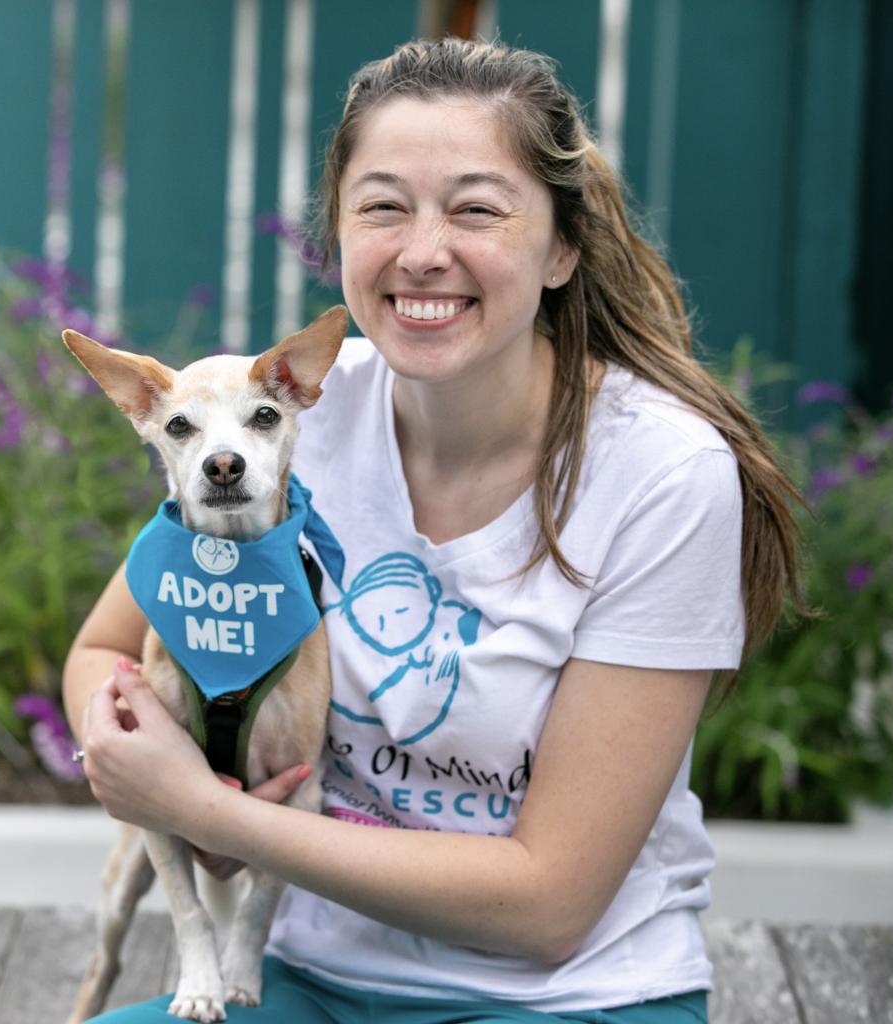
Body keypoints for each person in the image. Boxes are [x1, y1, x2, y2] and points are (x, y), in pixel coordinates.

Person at [65, 37, 802, 1024]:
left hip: (569, 997)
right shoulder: (287, 421)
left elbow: (548, 906)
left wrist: (205, 810)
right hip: (304, 979)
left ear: (563, 247)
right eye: (382, 207)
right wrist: (139, 752)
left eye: (476, 209)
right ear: (337, 236)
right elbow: (103, 652)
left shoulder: (659, 474)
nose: (421, 251)